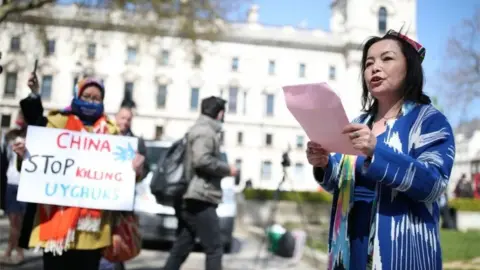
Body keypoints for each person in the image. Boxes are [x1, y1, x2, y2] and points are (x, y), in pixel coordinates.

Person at [307, 29, 455, 270]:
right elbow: (338, 182)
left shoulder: (429, 121)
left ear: (410, 67)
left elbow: (434, 185)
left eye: (387, 58)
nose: (375, 67)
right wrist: (323, 164)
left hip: (401, 251)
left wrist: (377, 151)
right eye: (368, 63)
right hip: (350, 244)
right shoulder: (359, 121)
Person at [13, 78, 144, 270]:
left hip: (94, 232)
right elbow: (34, 166)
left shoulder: (112, 132)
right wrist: (24, 154)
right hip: (56, 228)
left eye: (96, 99)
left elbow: (124, 177)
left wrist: (135, 170)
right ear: (77, 95)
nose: (91, 102)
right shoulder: (56, 123)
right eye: (87, 96)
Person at [163, 96, 238, 270]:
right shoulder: (205, 131)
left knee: (183, 245)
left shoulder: (199, 129)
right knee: (214, 248)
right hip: (200, 196)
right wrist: (227, 169)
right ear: (219, 114)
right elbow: (201, 160)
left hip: (192, 195)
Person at [0, 111, 27, 265]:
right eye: (20, 116)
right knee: (13, 222)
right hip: (11, 183)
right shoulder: (9, 136)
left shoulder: (35, 135)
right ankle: (14, 251)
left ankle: (14, 251)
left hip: (24, 184)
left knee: (19, 222)